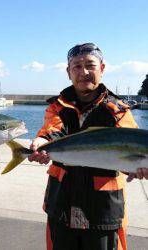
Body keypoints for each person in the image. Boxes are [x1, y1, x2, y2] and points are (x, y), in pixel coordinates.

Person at [28, 43, 148, 250]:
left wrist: (137, 169)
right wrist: (42, 142)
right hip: (61, 200)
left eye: (90, 65)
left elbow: (130, 146)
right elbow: (52, 130)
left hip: (103, 208)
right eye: (76, 66)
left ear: (101, 68)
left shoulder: (118, 110)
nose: (83, 72)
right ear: (68, 72)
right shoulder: (57, 106)